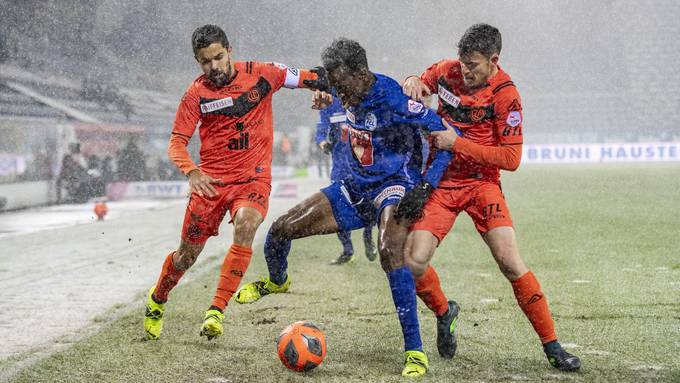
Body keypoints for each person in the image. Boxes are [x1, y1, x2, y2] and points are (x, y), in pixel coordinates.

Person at [235, 38, 453, 378]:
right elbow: (311, 82)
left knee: (389, 250)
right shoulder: (342, 86)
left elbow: (443, 134)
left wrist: (426, 186)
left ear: (362, 73)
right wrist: (320, 92)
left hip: (393, 185)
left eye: (341, 85)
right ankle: (277, 282)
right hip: (352, 188)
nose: (338, 93)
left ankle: (414, 350)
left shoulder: (394, 99)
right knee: (279, 231)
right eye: (333, 86)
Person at [401, 23, 581, 371]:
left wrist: (458, 144)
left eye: (473, 65)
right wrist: (412, 79)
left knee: (510, 262)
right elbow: (420, 83)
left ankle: (553, 346)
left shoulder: (506, 95)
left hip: (483, 185)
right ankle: (444, 311)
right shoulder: (446, 71)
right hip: (441, 184)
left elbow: (511, 159)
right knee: (414, 262)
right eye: (463, 62)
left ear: (493, 60)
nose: (465, 71)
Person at [143, 24, 327, 342]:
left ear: (230, 50)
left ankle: (216, 311)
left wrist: (323, 90)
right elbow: (176, 142)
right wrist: (192, 172)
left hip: (252, 177)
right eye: (205, 61)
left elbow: (316, 76)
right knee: (186, 256)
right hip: (211, 183)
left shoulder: (263, 74)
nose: (213, 66)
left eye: (217, 57)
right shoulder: (195, 94)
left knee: (246, 225)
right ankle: (158, 298)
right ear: (197, 62)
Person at [315, 95, 377, 264]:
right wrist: (323, 144)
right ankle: (347, 250)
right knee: (338, 209)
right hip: (339, 169)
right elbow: (320, 132)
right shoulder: (330, 104)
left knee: (368, 206)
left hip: (361, 167)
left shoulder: (362, 101)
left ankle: (368, 235)